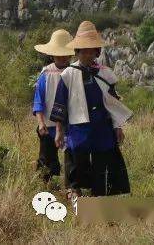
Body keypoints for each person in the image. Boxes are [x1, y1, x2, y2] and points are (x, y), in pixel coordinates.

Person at [50, 20, 133, 201]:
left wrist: (118, 127)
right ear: (77, 52)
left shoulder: (105, 74)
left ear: (97, 51)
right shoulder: (68, 75)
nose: (88, 54)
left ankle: (100, 196)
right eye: (83, 50)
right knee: (76, 161)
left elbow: (114, 104)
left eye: (91, 50)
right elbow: (60, 105)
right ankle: (75, 193)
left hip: (102, 127)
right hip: (79, 128)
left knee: (103, 162)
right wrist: (58, 131)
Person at [31, 29, 75, 183]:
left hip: (71, 125)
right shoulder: (46, 74)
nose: (62, 57)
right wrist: (41, 123)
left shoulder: (75, 72)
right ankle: (45, 186)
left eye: (65, 54)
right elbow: (38, 100)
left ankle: (72, 188)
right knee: (46, 158)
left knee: (73, 158)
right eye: (59, 54)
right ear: (53, 54)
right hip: (48, 126)